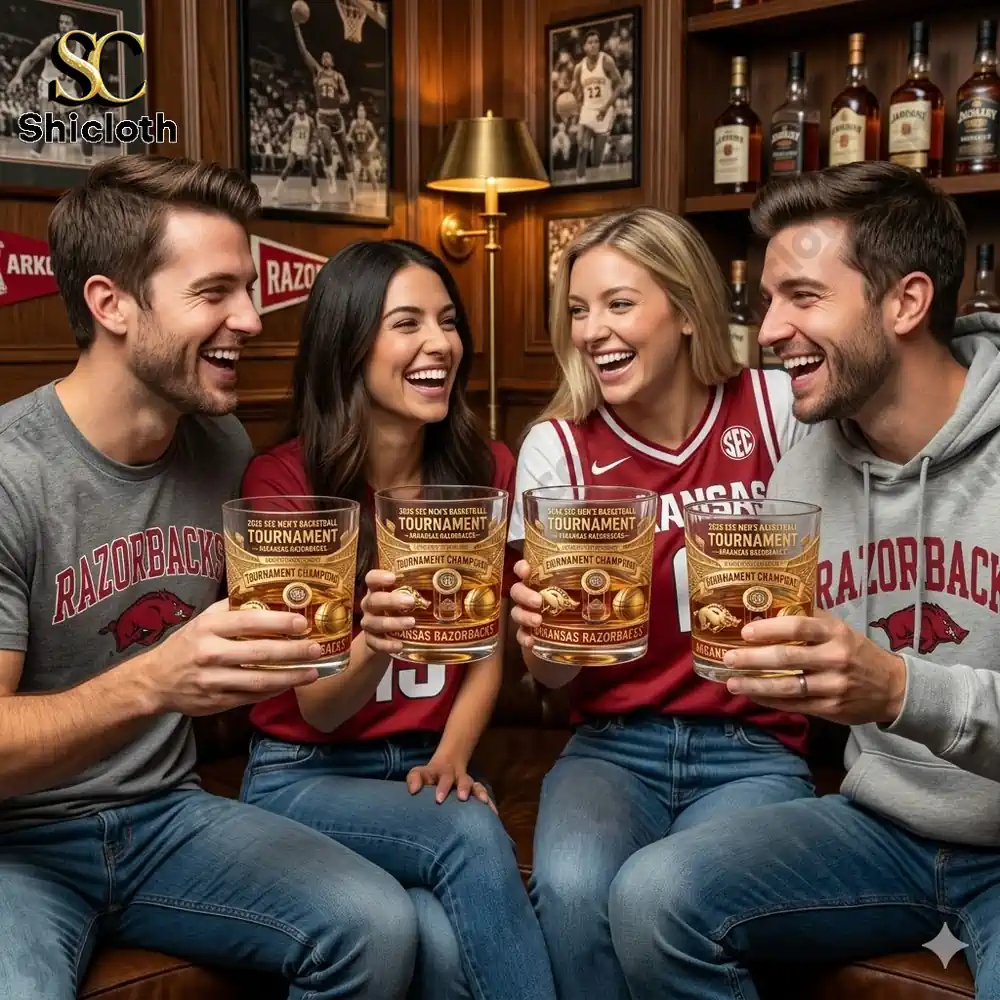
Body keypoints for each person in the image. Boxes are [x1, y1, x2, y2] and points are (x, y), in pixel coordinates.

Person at [0, 153, 419, 1000]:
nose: (254, 319)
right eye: (214, 292)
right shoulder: (13, 472)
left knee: (375, 926)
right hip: (19, 844)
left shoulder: (219, 445)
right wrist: (155, 679)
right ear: (111, 304)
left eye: (252, 288)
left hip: (164, 817)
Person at [607, 161, 1000, 999]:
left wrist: (897, 689)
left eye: (804, 297)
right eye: (768, 301)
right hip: (883, 827)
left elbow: (886, 685)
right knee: (651, 898)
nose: (768, 331)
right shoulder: (806, 465)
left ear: (906, 303)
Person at [507, 206, 817, 1000]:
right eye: (577, 310)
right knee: (573, 892)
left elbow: (839, 568)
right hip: (614, 746)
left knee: (679, 901)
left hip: (755, 747)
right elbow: (550, 678)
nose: (592, 331)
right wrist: (542, 642)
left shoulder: (776, 407)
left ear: (683, 309)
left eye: (618, 304)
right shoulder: (560, 446)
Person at [238, 238, 558, 1000]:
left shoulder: (487, 470)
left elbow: (486, 647)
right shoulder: (283, 483)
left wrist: (454, 754)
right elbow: (317, 708)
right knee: (469, 831)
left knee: (441, 947)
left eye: (447, 322)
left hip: (423, 767)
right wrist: (376, 644)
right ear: (349, 345)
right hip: (304, 776)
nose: (438, 344)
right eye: (406, 323)